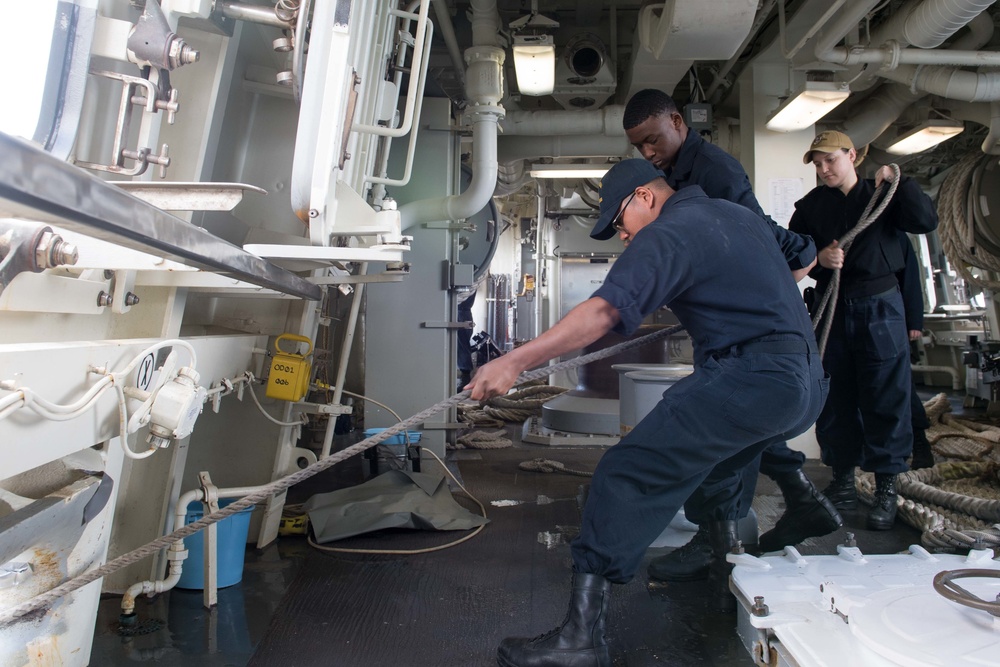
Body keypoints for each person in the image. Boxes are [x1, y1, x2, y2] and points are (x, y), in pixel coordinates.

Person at [468, 159, 828, 667]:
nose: (621, 237)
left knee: (623, 474)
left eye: (619, 223)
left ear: (644, 197)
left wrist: (514, 361)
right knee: (722, 462)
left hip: (752, 377)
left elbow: (604, 312)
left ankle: (580, 639)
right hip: (806, 382)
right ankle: (724, 573)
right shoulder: (736, 214)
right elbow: (802, 261)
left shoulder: (672, 231)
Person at [623, 89, 841, 573]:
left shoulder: (715, 172)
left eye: (653, 140)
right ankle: (802, 501)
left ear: (678, 121)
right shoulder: (673, 173)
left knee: (713, 424)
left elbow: (754, 234)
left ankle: (717, 542)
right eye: (639, 147)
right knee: (745, 426)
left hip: (749, 329)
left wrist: (773, 279)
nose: (648, 153)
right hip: (734, 329)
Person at [789, 131, 938, 530]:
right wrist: (819, 258)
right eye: (817, 165)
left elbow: (925, 221)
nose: (824, 170)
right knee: (836, 395)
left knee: (886, 394)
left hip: (880, 306)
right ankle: (841, 481)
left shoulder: (883, 196)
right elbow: (789, 258)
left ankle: (887, 485)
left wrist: (900, 181)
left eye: (830, 161)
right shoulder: (810, 207)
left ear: (852, 155)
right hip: (832, 307)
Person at [897, 232, 935, 469]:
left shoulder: (894, 233)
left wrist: (914, 321)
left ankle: (920, 444)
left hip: (890, 319)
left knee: (902, 389)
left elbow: (910, 277)